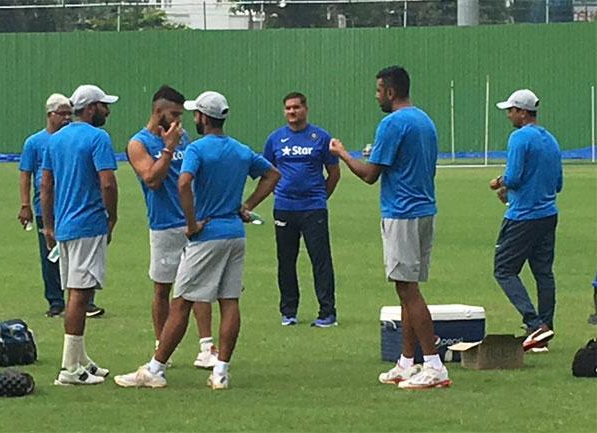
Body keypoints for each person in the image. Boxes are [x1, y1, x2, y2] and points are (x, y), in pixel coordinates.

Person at [128, 90, 280, 390]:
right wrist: (247, 206)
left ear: (202, 117)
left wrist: (191, 222)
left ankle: (155, 369)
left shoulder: (196, 149)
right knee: (229, 301)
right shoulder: (239, 149)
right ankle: (221, 371)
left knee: (181, 301)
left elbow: (183, 183)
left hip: (206, 235)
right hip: (235, 234)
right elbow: (273, 175)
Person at [329, 66, 451, 390]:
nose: (377, 96)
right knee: (406, 286)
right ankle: (407, 362)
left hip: (402, 213)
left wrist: (342, 154)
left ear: (390, 92)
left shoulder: (392, 123)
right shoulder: (425, 120)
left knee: (408, 290)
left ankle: (434, 364)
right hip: (425, 209)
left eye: (379, 90)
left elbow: (370, 174)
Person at [114, 86, 217, 388]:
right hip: (163, 225)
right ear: (158, 113)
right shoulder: (138, 143)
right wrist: (168, 148)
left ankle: (206, 347)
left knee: (199, 286)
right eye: (173, 115)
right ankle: (163, 347)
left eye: (181, 116)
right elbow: (152, 179)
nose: (178, 122)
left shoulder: (183, 138)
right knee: (163, 289)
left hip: (192, 221)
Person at [41, 84, 119, 385]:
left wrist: (49, 225)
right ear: (90, 108)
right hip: (88, 224)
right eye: (103, 105)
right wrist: (111, 217)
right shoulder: (98, 138)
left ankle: (80, 359)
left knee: (75, 291)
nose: (107, 111)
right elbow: (108, 183)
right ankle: (68, 369)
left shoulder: (55, 139)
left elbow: (46, 185)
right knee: (80, 295)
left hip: (65, 226)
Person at [489, 89, 562, 353]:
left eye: (511, 110)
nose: (509, 115)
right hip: (548, 213)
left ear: (522, 112)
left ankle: (534, 324)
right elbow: (558, 183)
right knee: (543, 272)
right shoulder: (551, 140)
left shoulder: (519, 138)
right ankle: (546, 329)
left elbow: (515, 176)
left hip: (523, 216)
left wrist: (500, 183)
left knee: (504, 269)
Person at [18, 93, 103, 318]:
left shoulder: (73, 138)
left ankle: (86, 301)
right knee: (51, 256)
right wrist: (25, 203)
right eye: (61, 113)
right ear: (49, 115)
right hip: (45, 208)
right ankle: (56, 301)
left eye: (68, 113)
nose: (66, 118)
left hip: (71, 205)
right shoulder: (35, 142)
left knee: (80, 257)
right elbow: (27, 174)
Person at [263, 92, 340, 328]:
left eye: (296, 107)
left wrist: (319, 197)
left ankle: (327, 313)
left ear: (305, 109)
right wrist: (281, 193)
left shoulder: (320, 137)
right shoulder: (275, 139)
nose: (292, 112)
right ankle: (289, 311)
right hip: (284, 209)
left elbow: (334, 173)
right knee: (286, 261)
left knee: (321, 260)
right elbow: (267, 172)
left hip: (313, 209)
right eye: (288, 108)